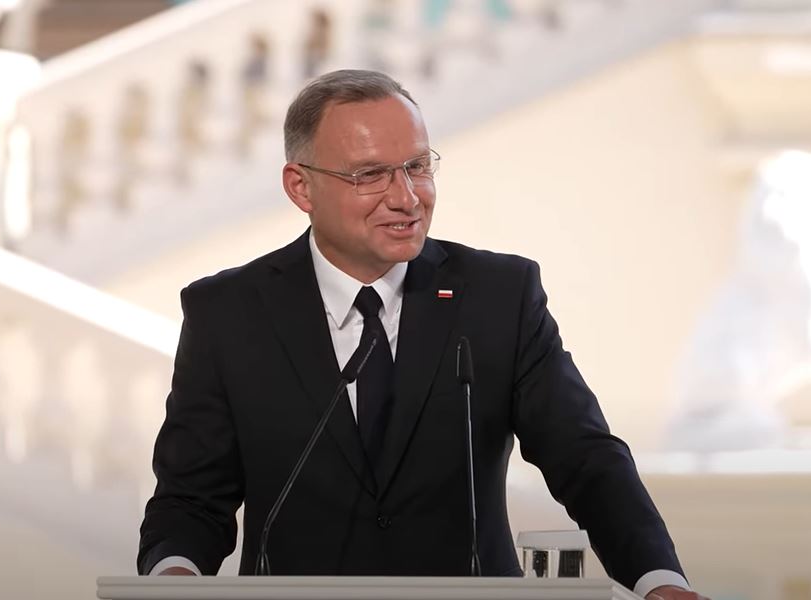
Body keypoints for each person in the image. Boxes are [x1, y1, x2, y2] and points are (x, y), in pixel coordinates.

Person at [138, 69, 708, 600]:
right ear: (300, 187)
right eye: (370, 175)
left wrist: (657, 580)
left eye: (416, 166)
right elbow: (191, 500)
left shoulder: (498, 296)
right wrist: (173, 579)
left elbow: (585, 459)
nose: (407, 198)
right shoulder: (228, 312)